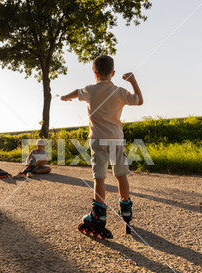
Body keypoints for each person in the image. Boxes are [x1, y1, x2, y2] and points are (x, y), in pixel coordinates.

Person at [60, 55, 143, 239]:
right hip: (116, 139)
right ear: (112, 73)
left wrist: (66, 97)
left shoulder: (89, 90)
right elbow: (139, 100)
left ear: (95, 73)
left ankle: (98, 214)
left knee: (100, 177)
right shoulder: (120, 92)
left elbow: (76, 92)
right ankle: (126, 209)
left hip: (97, 140)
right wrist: (133, 81)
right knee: (121, 174)